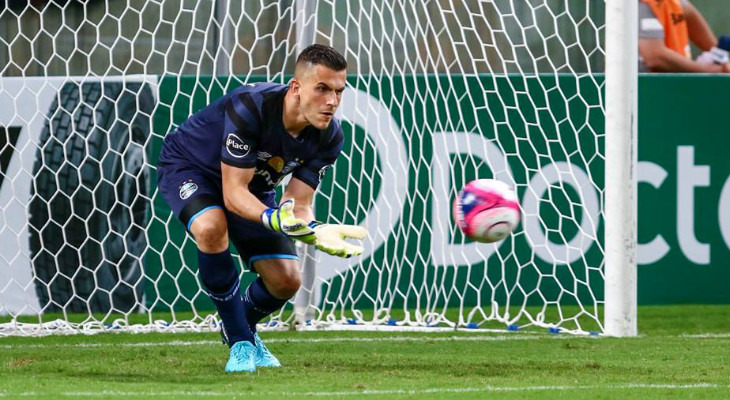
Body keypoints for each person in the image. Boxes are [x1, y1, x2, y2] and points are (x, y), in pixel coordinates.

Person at [156, 44, 367, 372]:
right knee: (211, 228)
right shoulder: (251, 106)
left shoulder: (329, 137)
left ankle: (236, 325)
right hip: (192, 167)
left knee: (287, 281)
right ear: (296, 88)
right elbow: (232, 194)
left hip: (253, 185)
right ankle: (241, 341)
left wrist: (313, 229)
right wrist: (271, 218)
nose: (332, 102)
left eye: (339, 91)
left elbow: (298, 203)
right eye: (322, 89)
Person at [638, 0, 730, 73]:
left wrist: (721, 58)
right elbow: (655, 57)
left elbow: (689, 13)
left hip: (672, 84)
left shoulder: (675, 2)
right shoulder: (639, 5)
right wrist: (712, 70)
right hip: (643, 88)